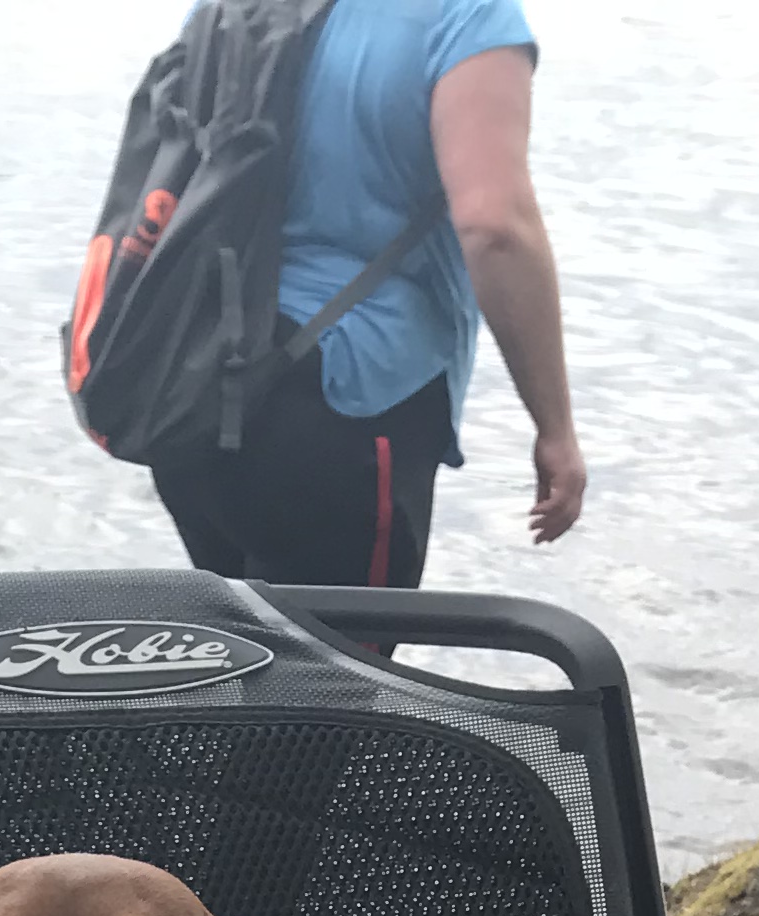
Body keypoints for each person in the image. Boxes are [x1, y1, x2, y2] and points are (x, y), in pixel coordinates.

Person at [149, 0, 585, 597]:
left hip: (197, 390)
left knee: (240, 649)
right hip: (346, 406)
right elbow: (495, 229)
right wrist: (555, 428)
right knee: (338, 657)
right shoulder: (466, 15)